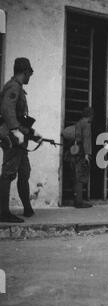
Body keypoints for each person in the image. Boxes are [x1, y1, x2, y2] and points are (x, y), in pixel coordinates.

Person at [0, 58, 43, 223]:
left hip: (19, 138)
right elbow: (7, 109)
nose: (29, 77)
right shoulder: (13, 87)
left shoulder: (18, 88)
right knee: (8, 173)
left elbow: (19, 119)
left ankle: (27, 208)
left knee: (24, 172)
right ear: (24, 72)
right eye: (29, 74)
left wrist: (33, 134)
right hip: (12, 138)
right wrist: (14, 130)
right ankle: (3, 212)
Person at [64, 107, 93, 208]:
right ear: (90, 115)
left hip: (75, 151)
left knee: (76, 175)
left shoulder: (79, 122)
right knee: (80, 176)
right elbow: (86, 139)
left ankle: (77, 200)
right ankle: (79, 202)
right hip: (81, 152)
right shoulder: (86, 123)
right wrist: (87, 154)